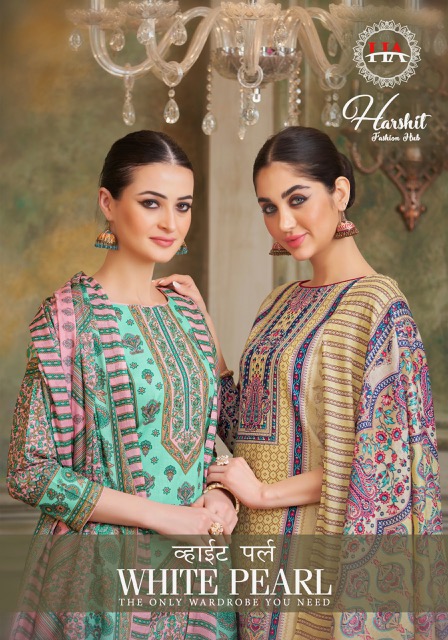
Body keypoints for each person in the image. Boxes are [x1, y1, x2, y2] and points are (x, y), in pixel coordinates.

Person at [155, 126, 443, 640]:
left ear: (340, 192)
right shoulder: (278, 303)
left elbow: (382, 470)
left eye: (297, 199)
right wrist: (201, 326)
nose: (283, 222)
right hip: (252, 559)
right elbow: (241, 426)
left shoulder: (379, 309)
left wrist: (263, 494)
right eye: (269, 207)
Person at [7, 130, 238, 640]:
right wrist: (164, 518)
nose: (170, 223)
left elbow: (216, 438)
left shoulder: (189, 315)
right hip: (101, 580)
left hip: (197, 579)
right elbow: (29, 472)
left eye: (182, 205)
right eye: (151, 203)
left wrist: (221, 494)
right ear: (108, 203)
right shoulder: (66, 319)